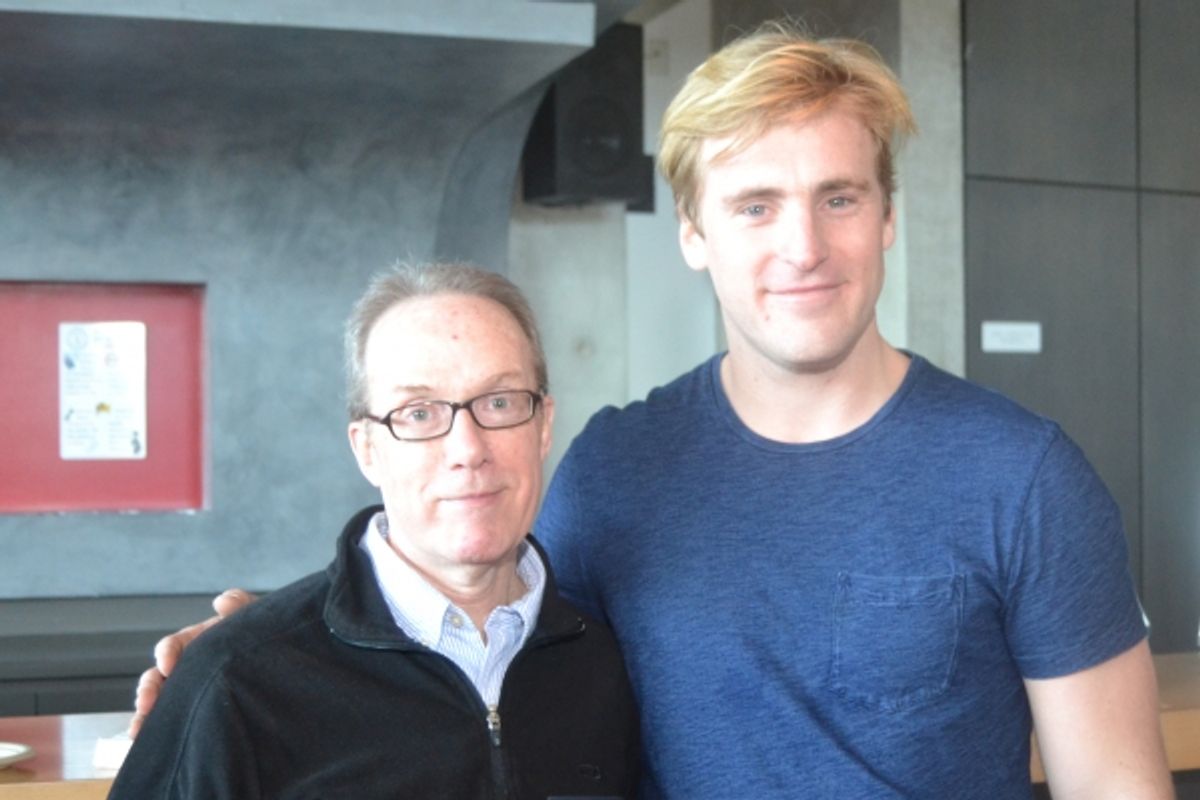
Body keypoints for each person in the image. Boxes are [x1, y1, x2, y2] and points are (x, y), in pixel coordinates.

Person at [134, 22, 1172, 799]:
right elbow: (484, 622)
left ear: (889, 217)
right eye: (755, 204)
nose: (802, 246)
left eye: (839, 197)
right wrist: (260, 649)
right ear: (693, 233)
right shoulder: (617, 464)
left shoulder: (1023, 476)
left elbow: (1117, 785)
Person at [112, 262, 639, 799]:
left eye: (499, 402)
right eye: (418, 413)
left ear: (544, 425)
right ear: (366, 448)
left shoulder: (603, 669)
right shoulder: (238, 682)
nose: (468, 449)